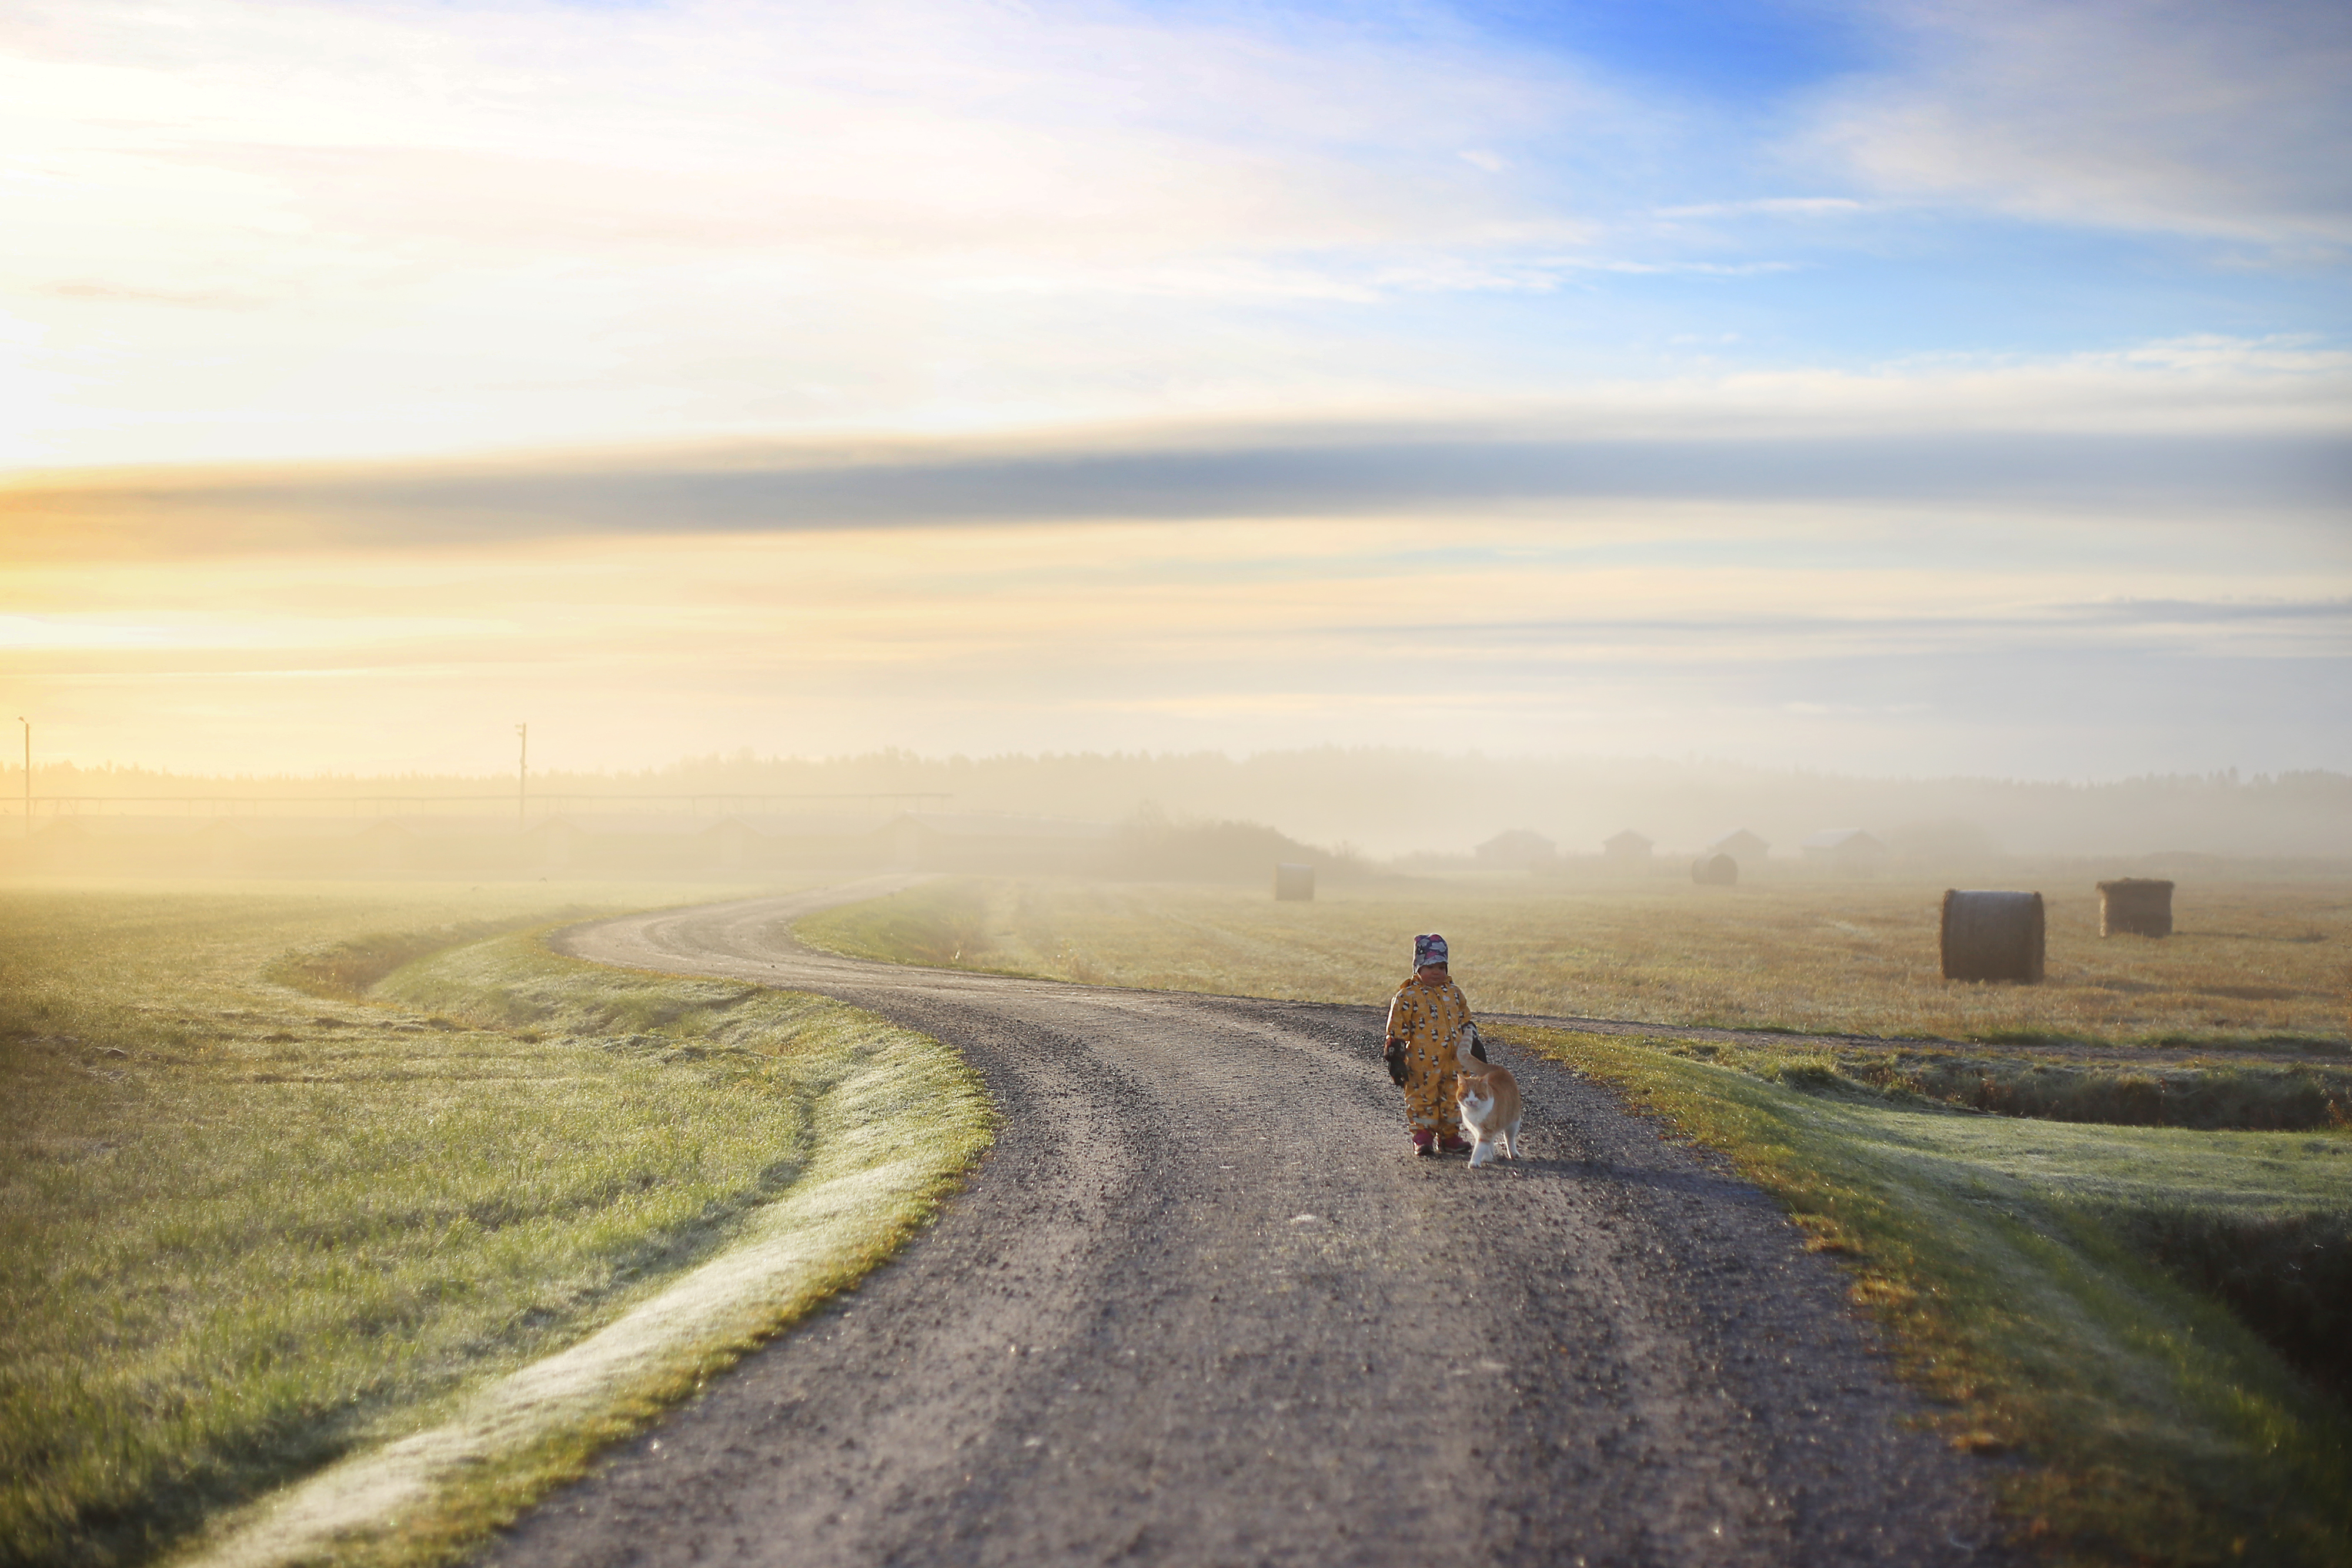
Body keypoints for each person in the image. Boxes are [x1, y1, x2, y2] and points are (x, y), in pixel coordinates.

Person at [1382, 932, 1475, 1157]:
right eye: (1430, 966)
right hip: (1422, 1064)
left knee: (1454, 1098)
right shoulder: (1407, 996)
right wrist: (1395, 1056)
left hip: (1454, 1063)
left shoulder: (1454, 993)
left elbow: (1465, 1020)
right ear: (1418, 967)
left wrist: (1474, 1043)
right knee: (1421, 1097)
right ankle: (1422, 1137)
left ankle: (1450, 1137)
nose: (1437, 972)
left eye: (1442, 967)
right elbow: (1396, 1028)